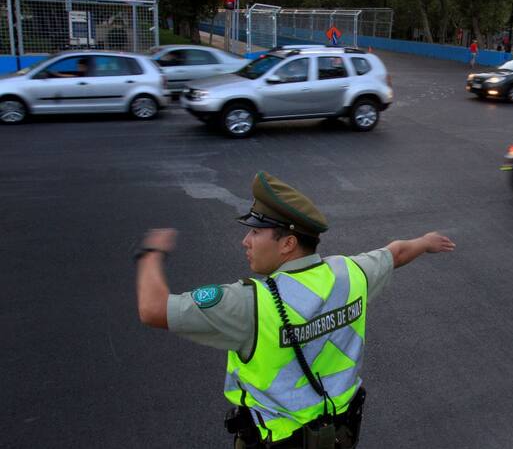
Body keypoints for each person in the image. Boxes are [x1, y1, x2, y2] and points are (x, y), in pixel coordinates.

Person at [136, 171, 456, 448]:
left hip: (276, 440)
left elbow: (153, 309)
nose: (245, 241)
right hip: (340, 433)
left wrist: (151, 253)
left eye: (255, 232)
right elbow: (396, 253)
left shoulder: (250, 302)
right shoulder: (350, 273)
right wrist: (426, 241)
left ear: (288, 243)